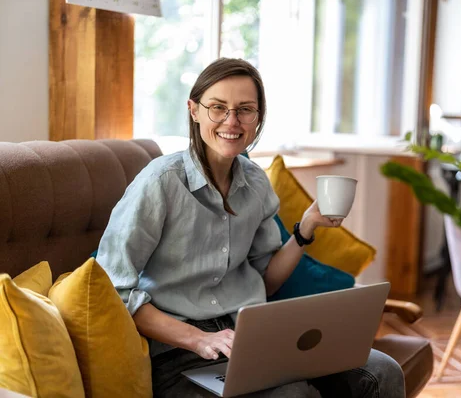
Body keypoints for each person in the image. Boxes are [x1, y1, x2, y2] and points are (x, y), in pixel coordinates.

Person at [96, 58, 405, 398]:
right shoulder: (159, 182)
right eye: (218, 108)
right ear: (194, 110)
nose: (232, 121)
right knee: (294, 396)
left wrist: (306, 229)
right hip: (178, 351)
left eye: (245, 109)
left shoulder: (256, 183)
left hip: (252, 335)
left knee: (382, 373)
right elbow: (114, 288)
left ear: (258, 119)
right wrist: (199, 338)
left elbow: (266, 280)